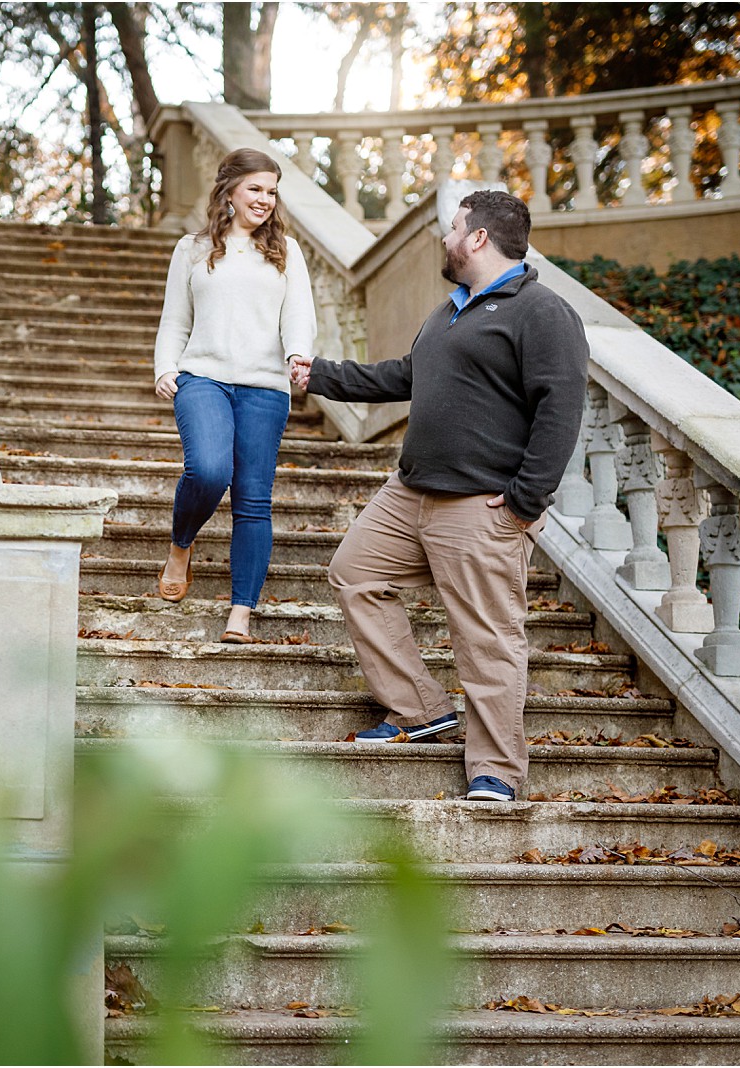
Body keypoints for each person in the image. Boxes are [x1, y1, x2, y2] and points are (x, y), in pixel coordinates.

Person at [288, 189, 588, 802]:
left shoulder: (541, 311)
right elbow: (404, 375)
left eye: (453, 229)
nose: (445, 239)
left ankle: (496, 771)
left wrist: (526, 501)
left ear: (478, 237)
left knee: (486, 641)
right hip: (410, 492)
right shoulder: (450, 310)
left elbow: (561, 410)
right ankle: (420, 708)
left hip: (480, 505)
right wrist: (319, 374)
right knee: (354, 572)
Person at [153, 147, 315, 643]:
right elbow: (175, 318)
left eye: (271, 191)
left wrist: (298, 354)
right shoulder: (192, 249)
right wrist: (165, 366)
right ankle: (182, 543)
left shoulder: (286, 250)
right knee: (208, 469)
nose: (265, 200)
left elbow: (299, 315)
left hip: (265, 387)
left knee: (252, 500)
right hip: (203, 377)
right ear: (230, 190)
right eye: (255, 189)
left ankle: (240, 614)